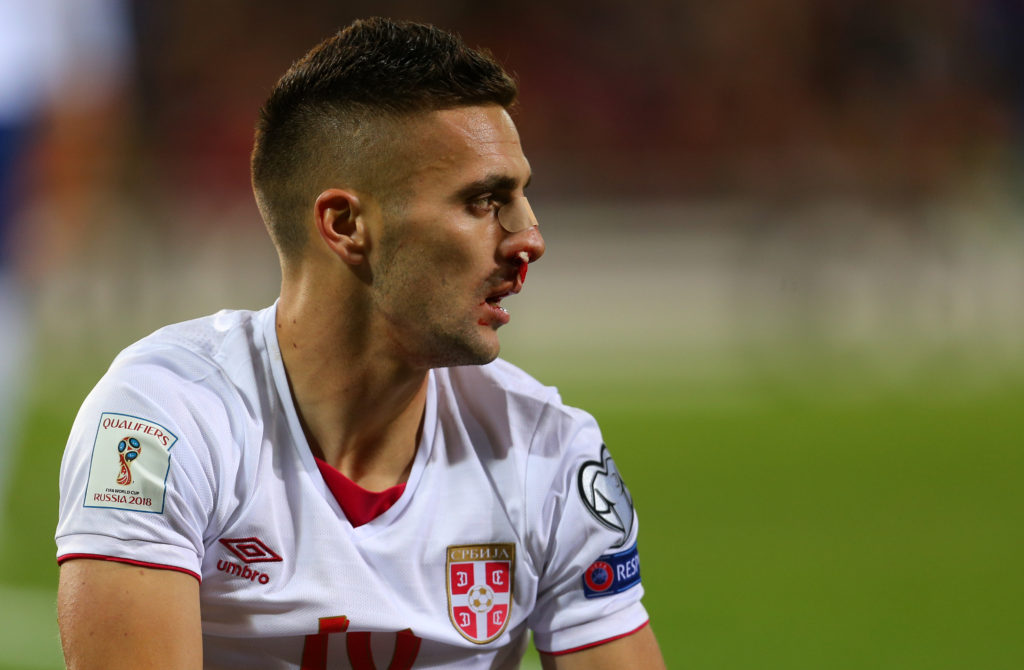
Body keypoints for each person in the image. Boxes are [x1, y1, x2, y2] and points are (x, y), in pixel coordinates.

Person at [55, 17, 665, 669]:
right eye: (484, 201)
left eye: (522, 196)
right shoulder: (162, 423)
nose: (529, 240)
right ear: (346, 225)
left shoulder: (545, 451)